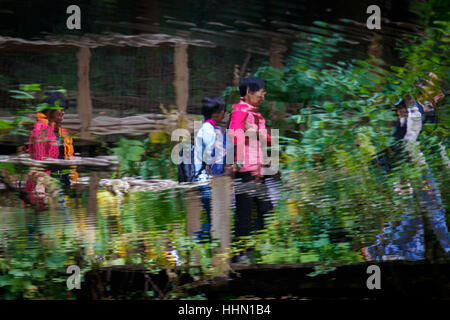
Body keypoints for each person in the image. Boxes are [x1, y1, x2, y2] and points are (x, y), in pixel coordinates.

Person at [228, 77, 274, 262]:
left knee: (266, 210)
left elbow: (268, 139)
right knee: (244, 215)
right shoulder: (240, 111)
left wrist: (259, 133)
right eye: (260, 93)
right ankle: (237, 257)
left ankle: (245, 251)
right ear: (248, 91)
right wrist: (237, 163)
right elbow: (234, 135)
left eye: (264, 94)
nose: (263, 97)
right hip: (246, 172)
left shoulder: (255, 114)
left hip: (258, 172)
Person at [193, 96, 230, 241]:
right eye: (223, 112)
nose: (224, 115)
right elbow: (211, 156)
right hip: (207, 182)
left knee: (215, 218)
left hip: (212, 182)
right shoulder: (208, 130)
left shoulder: (213, 129)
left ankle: (193, 248)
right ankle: (188, 248)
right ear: (216, 114)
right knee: (215, 219)